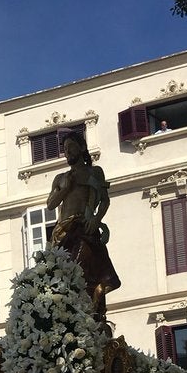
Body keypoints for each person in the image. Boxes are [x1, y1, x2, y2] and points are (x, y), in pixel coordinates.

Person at [46, 129, 120, 315]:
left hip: (84, 228)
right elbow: (51, 204)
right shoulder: (61, 178)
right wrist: (65, 189)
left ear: (82, 148)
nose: (67, 152)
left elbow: (104, 200)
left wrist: (96, 219)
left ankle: (89, 308)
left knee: (80, 268)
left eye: (71, 147)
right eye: (65, 149)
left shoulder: (94, 172)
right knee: (60, 273)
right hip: (62, 231)